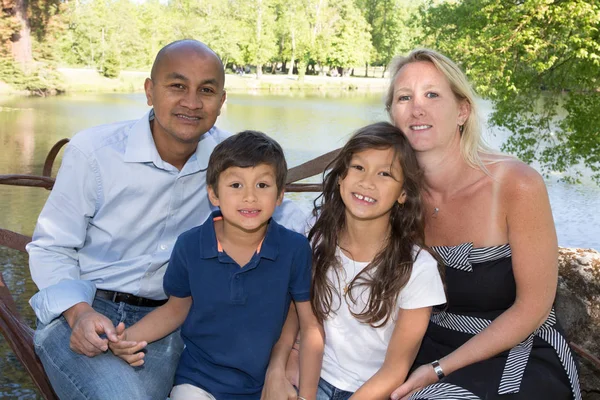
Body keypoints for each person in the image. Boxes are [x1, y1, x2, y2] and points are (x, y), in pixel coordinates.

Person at [26, 40, 306, 400]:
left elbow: (292, 218)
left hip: (169, 322)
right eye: (177, 86)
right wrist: (77, 313)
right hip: (85, 311)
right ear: (149, 91)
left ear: (221, 102)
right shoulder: (95, 153)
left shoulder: (231, 165)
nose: (191, 102)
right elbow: (52, 246)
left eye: (206, 90)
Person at [384, 49, 581, 400]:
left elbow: (533, 308)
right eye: (404, 97)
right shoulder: (391, 193)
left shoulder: (515, 184)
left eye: (432, 94)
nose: (417, 108)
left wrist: (440, 369)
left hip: (518, 349)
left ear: (462, 110)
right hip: (428, 345)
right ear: (392, 114)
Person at [108, 130, 324, 400]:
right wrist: (126, 338)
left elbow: (310, 326)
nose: (249, 197)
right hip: (199, 381)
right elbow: (175, 309)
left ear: (280, 195)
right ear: (213, 194)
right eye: (236, 185)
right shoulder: (190, 246)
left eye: (262, 185)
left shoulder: (294, 249)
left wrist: (307, 396)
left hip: (265, 385)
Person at [308, 122, 445, 400]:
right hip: (312, 376)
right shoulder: (317, 236)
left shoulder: (417, 268)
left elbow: (395, 371)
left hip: (371, 391)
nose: (367, 182)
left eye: (385, 174)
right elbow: (299, 323)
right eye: (358, 167)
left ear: (403, 193)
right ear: (341, 178)